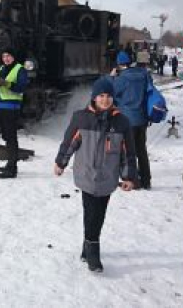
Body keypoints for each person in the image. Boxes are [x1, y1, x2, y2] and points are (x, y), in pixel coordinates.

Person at [54, 77, 137, 273]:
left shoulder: (121, 122)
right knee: (91, 212)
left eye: (108, 96)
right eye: (101, 96)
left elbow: (128, 153)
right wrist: (60, 162)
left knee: (99, 213)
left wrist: (128, 176)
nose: (105, 100)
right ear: (94, 98)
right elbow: (69, 143)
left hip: (107, 176)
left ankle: (86, 246)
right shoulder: (81, 118)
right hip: (86, 173)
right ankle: (93, 251)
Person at [111, 50, 153, 189]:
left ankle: (132, 180)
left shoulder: (122, 79)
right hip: (142, 118)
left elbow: (111, 93)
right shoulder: (144, 74)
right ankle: (146, 180)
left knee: (129, 150)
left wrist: (112, 78)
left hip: (128, 119)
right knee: (141, 150)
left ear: (119, 65)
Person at [0, 48, 29, 179]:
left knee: (11, 137)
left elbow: (21, 87)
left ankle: (12, 168)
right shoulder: (1, 68)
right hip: (0, 106)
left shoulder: (20, 69)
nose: (6, 58)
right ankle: (9, 163)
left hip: (11, 107)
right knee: (6, 136)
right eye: (4, 56)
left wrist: (6, 83)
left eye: (8, 56)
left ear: (13, 57)